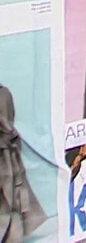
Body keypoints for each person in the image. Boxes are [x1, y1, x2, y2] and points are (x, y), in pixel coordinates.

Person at [1, 83, 49, 241]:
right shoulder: (5, 93)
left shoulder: (4, 93)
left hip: (7, 159)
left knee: (12, 208)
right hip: (9, 159)